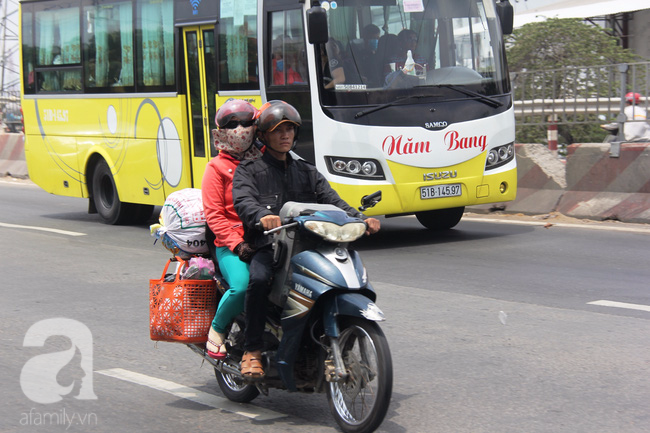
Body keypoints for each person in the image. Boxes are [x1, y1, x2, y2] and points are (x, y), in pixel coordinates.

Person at [231, 101, 381, 379]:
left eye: (289, 129)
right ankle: (251, 349)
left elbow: (333, 200)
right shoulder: (249, 170)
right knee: (259, 279)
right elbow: (243, 201)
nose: (285, 135)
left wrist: (360, 219)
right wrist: (262, 216)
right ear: (263, 135)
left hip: (309, 246)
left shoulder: (308, 172)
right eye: (278, 130)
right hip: (269, 246)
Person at [202, 99, 262, 359]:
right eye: (232, 124)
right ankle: (216, 330)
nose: (240, 129)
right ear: (220, 130)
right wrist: (237, 244)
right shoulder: (215, 169)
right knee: (242, 285)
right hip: (230, 246)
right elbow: (214, 216)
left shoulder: (263, 161)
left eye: (246, 122)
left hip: (265, 239)